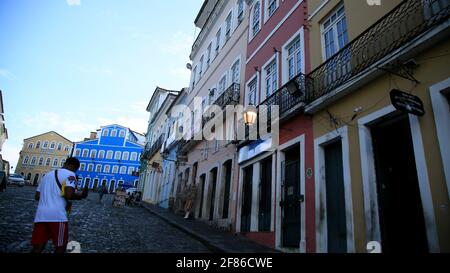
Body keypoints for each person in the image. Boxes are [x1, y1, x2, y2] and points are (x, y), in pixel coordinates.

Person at [31, 157, 88, 253]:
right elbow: (69, 194)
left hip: (41, 215)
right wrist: (81, 195)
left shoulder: (47, 175)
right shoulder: (71, 175)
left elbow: (37, 196)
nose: (75, 171)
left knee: (38, 247)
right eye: (76, 169)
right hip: (57, 217)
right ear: (73, 166)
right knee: (60, 246)